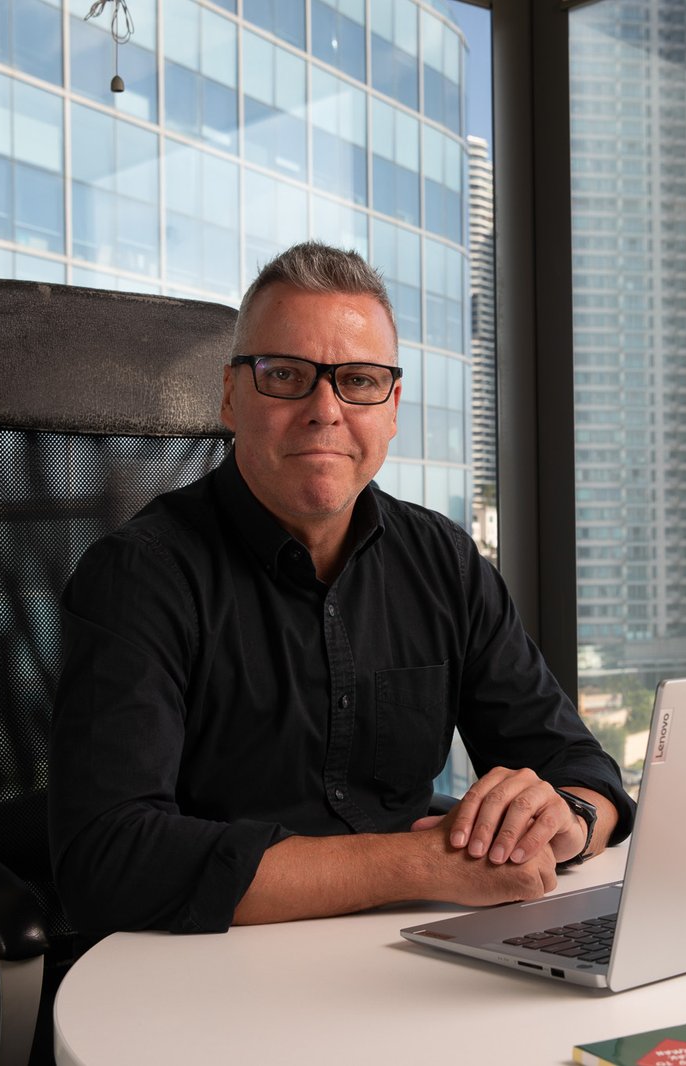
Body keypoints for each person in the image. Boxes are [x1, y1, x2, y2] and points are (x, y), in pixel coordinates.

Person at [49, 241, 634, 934]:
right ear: (232, 395)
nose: (325, 409)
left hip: (413, 952)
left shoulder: (442, 560)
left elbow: (580, 766)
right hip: (212, 971)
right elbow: (110, 859)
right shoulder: (140, 576)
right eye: (286, 374)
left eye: (357, 380)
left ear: (390, 406)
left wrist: (565, 819)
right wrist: (421, 865)